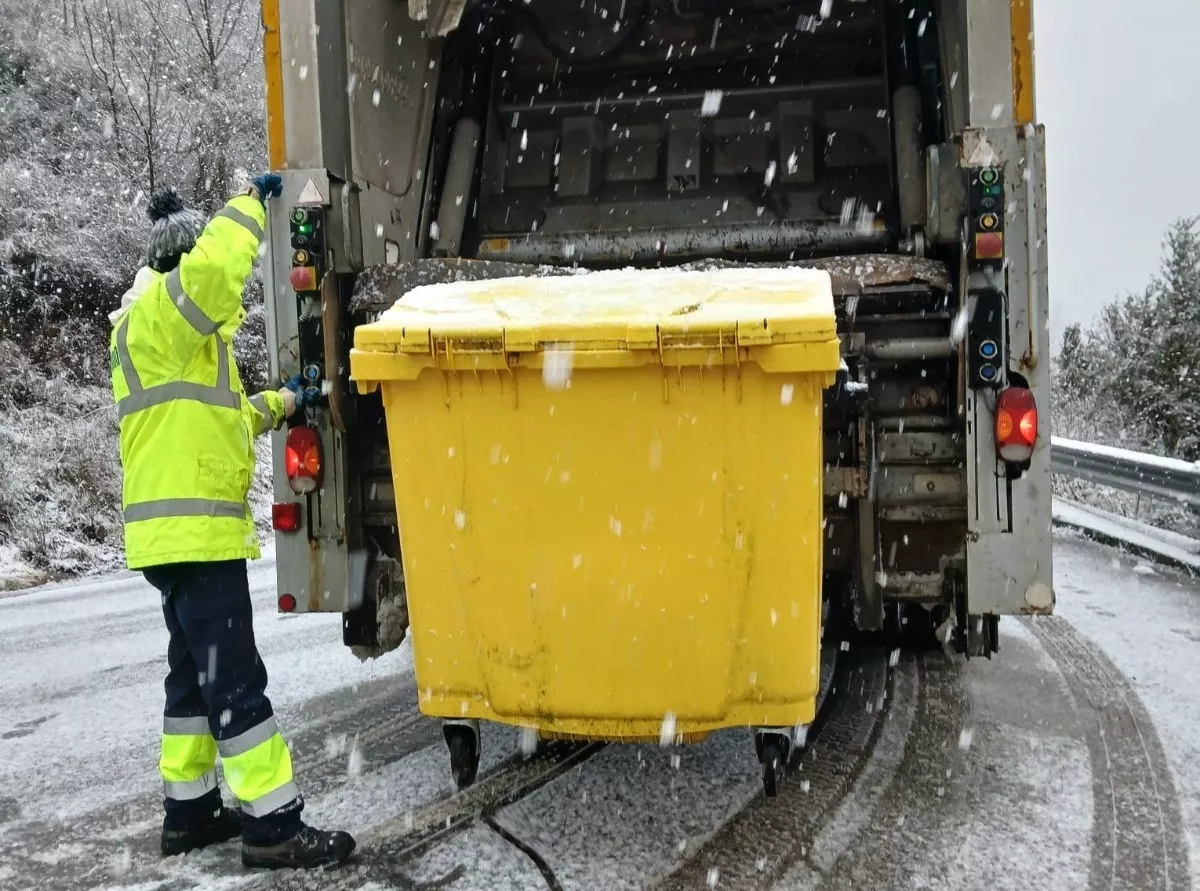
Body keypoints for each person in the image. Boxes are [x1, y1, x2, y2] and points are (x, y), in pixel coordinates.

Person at [108, 175, 356, 870]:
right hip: (192, 532)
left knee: (192, 675)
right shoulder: (164, 313)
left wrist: (282, 401)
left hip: (171, 536)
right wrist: (249, 200)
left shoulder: (153, 338)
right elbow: (216, 272)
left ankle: (188, 812)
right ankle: (273, 825)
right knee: (234, 676)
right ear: (173, 263)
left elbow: (222, 417)